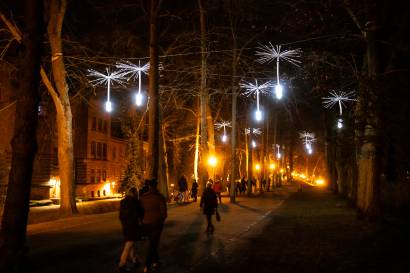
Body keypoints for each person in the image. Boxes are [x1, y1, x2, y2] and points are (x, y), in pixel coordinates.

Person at [140, 179, 167, 273]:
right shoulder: (160, 197)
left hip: (145, 224)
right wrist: (161, 221)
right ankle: (147, 265)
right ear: (156, 186)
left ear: (149, 186)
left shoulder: (143, 197)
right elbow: (164, 213)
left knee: (152, 243)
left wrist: (142, 221)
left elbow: (141, 211)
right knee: (153, 245)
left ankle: (156, 261)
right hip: (156, 224)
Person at [118, 187, 144, 272]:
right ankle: (122, 264)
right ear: (135, 193)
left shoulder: (123, 202)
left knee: (131, 243)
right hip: (133, 225)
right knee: (129, 244)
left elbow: (120, 216)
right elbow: (141, 212)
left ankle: (134, 259)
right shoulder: (135, 201)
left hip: (125, 225)